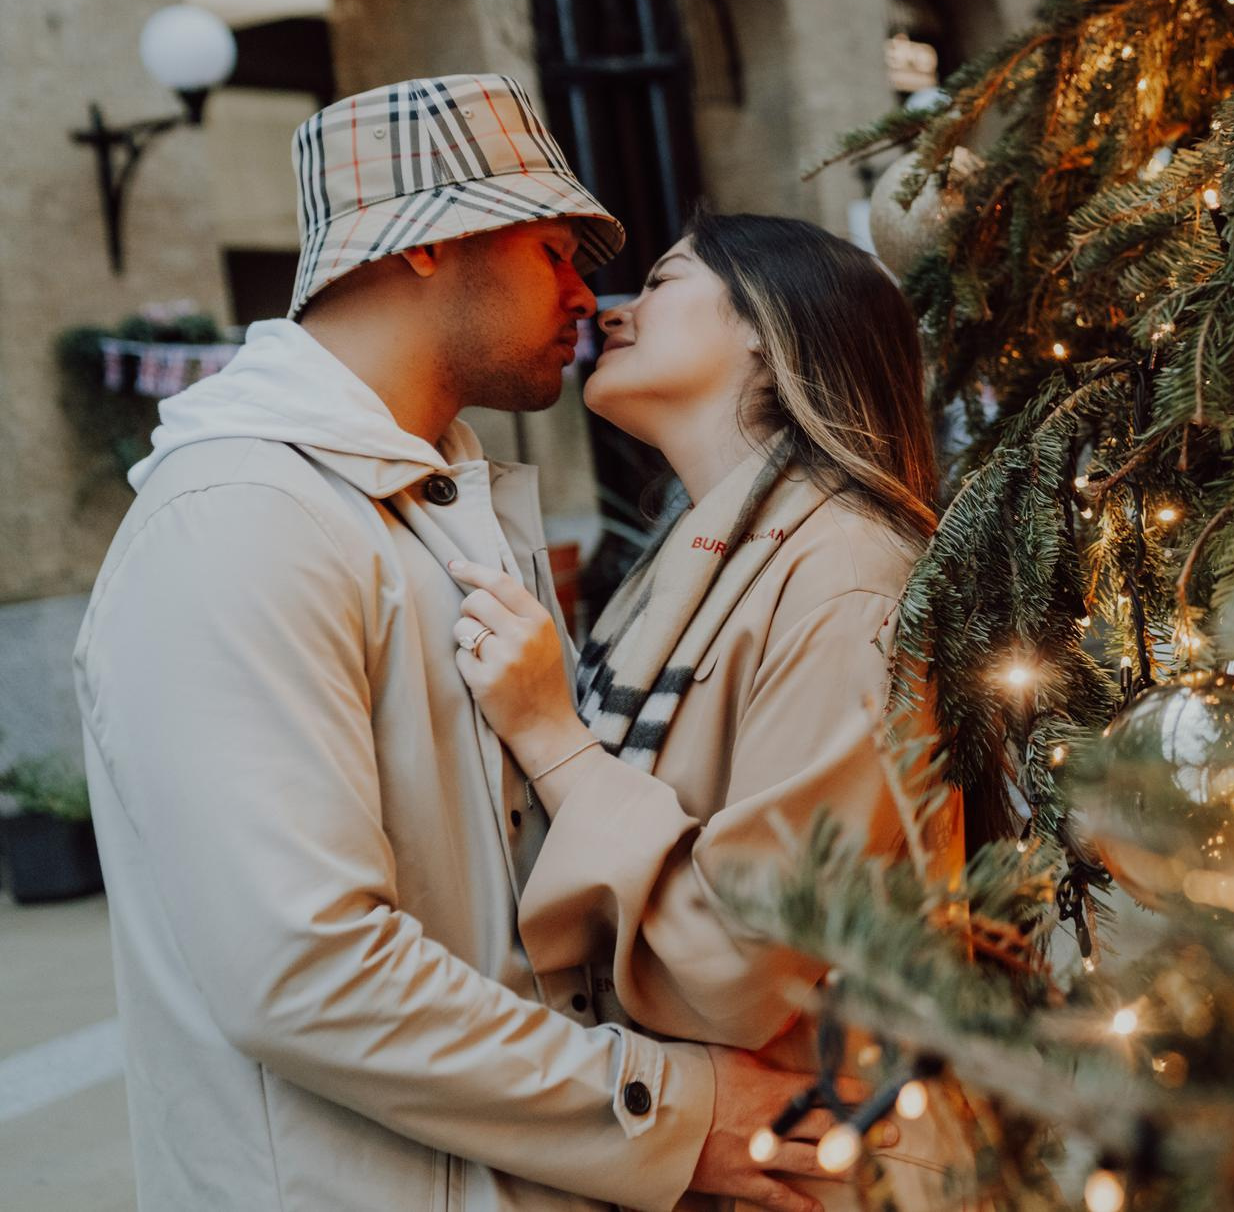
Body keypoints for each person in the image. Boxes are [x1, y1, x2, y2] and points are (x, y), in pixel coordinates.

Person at [76, 75, 833, 1212]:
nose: (587, 294)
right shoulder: (238, 518)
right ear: (432, 243)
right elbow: (307, 970)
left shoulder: (438, 502)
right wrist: (669, 1112)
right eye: (554, 250)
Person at [442, 212, 968, 1211]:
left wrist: (552, 736)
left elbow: (751, 953)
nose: (610, 304)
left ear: (770, 333)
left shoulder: (849, 568)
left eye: (667, 278)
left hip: (827, 1163)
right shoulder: (687, 559)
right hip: (729, 1153)